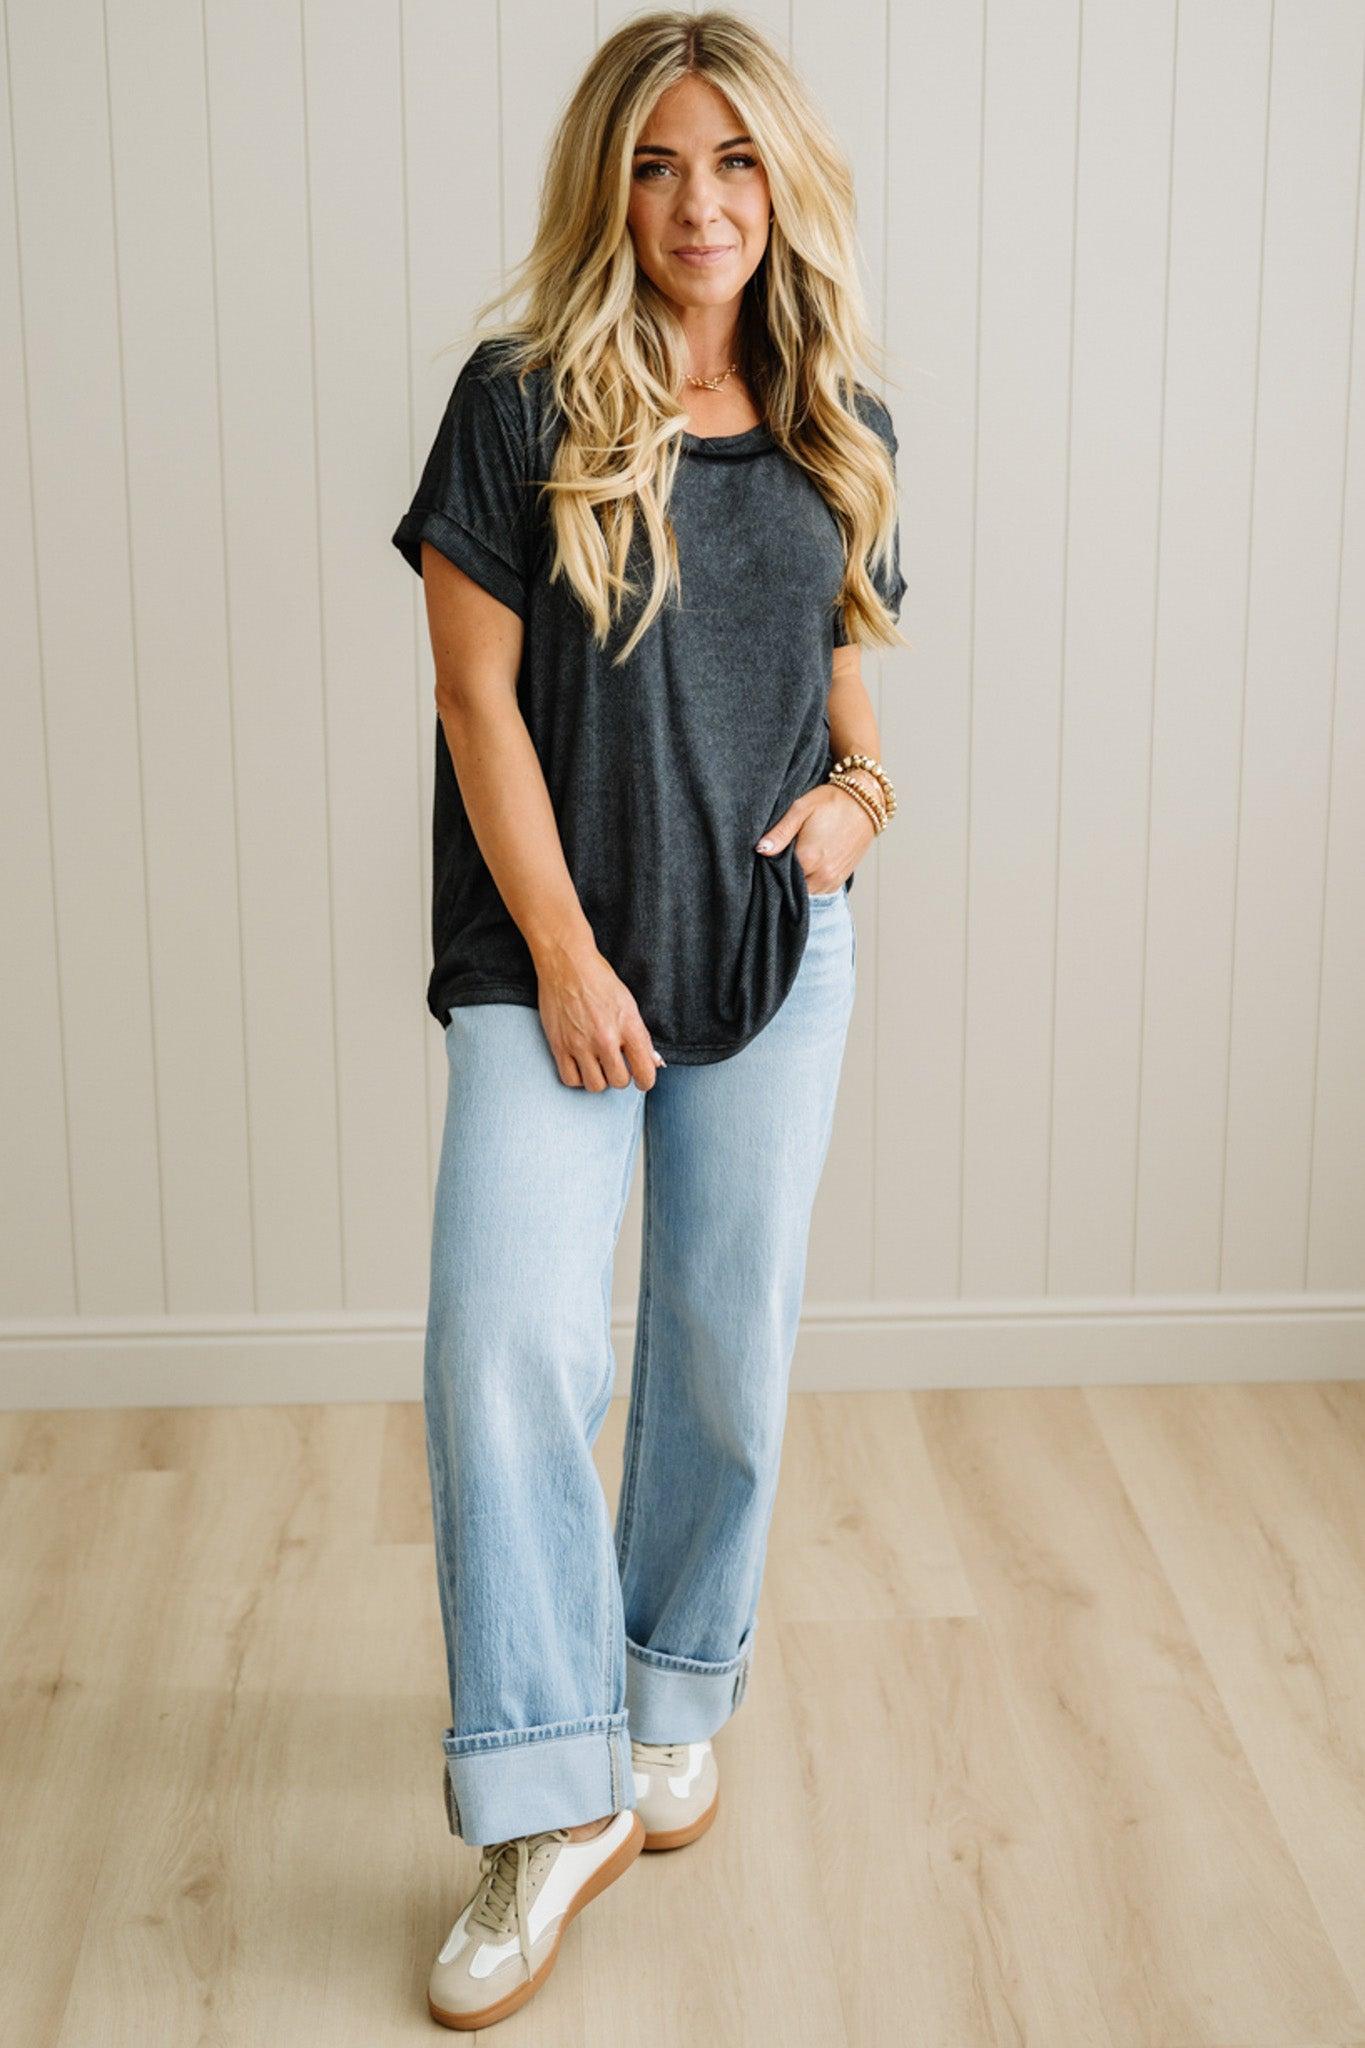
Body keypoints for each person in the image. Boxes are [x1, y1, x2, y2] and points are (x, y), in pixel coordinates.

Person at [390, 9, 906, 2031]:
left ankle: (667, 1695)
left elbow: (849, 703)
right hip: (552, 960)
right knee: (504, 1336)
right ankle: (545, 1791)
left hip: (775, 956)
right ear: (605, 183)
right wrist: (570, 953)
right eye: (655, 162)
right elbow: (472, 705)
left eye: (735, 162)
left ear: (782, 185)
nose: (698, 202)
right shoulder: (516, 403)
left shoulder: (834, 416)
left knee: (722, 1344)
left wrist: (855, 815)